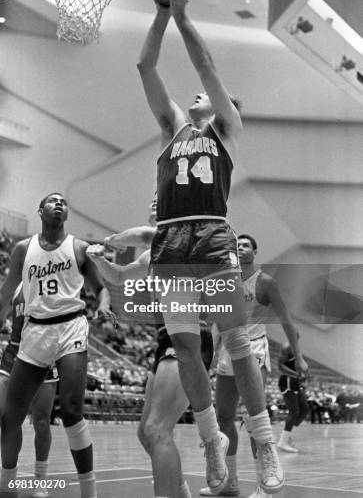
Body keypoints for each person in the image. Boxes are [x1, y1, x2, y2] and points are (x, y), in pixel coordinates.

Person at [137, 0, 284, 495]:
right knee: (185, 347)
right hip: (172, 242)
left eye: (212, 95)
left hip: (211, 238)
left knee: (237, 342)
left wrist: (182, 14)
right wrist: (159, 12)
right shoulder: (172, 127)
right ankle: (208, 443)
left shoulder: (227, 129)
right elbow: (145, 66)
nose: (199, 94)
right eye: (197, 95)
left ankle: (263, 439)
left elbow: (205, 66)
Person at [87, 205, 214, 498]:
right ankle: (181, 492)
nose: (155, 202)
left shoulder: (184, 236)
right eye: (153, 201)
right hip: (164, 340)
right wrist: (97, 259)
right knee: (146, 433)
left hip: (189, 336)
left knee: (158, 429)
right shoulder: (151, 254)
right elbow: (118, 276)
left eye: (162, 198)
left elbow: (145, 236)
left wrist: (113, 239)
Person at [0, 192, 114, 498]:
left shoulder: (78, 248)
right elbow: (6, 292)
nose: (59, 203)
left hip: (70, 326)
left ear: (66, 214)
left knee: (72, 410)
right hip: (34, 332)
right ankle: (8, 486)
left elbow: (102, 289)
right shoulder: (23, 249)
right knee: (10, 417)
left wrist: (103, 306)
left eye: (63, 201)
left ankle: (88, 492)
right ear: (40, 210)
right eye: (52, 200)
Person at [199, 233, 308, 497]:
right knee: (223, 418)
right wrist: (211, 354)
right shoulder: (224, 281)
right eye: (238, 244)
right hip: (227, 349)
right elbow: (215, 320)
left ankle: (264, 485)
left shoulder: (265, 282)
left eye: (246, 244)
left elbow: (286, 321)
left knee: (252, 418)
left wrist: (300, 356)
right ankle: (230, 483)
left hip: (254, 349)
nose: (240, 247)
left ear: (255, 252)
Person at [0, 283, 58, 498]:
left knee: (42, 422)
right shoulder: (16, 285)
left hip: (43, 355)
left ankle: (41, 481)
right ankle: (8, 479)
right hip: (13, 354)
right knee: (7, 418)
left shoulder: (54, 282)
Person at [277, 341, 309, 452]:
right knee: (294, 411)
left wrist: (304, 376)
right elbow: (280, 366)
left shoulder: (297, 349)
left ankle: (286, 433)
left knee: (304, 409)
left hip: (295, 382)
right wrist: (296, 374)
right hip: (287, 381)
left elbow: (300, 366)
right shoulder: (286, 347)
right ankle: (283, 441)